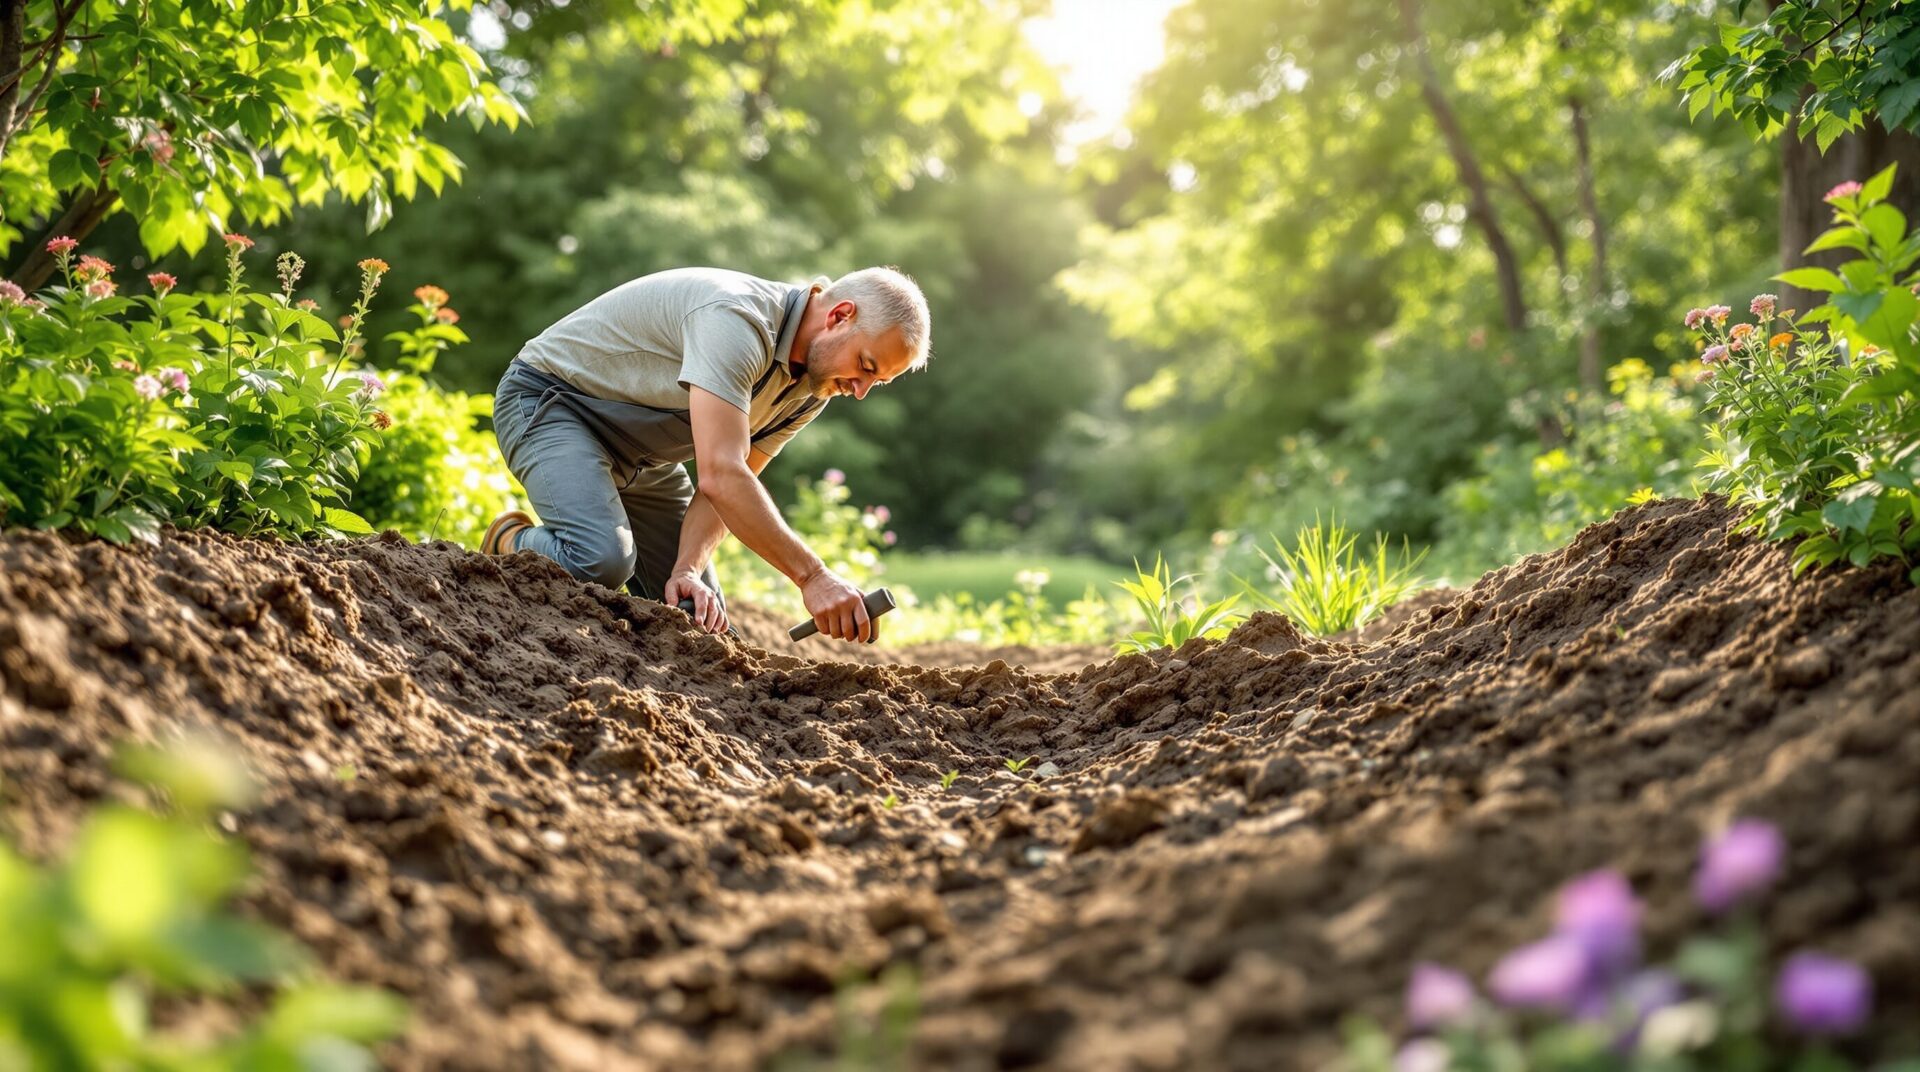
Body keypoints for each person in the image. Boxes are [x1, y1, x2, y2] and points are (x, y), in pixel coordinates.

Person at [482, 266, 929, 644]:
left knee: (699, 624)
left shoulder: (813, 386)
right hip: (552, 404)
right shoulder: (737, 321)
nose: (860, 390)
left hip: (640, 455)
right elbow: (721, 474)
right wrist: (813, 577)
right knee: (599, 559)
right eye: (866, 366)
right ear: (839, 315)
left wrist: (687, 568)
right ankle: (508, 543)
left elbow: (734, 485)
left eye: (878, 382)